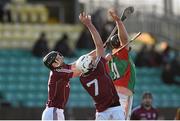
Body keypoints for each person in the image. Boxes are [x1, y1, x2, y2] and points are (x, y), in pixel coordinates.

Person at [75, 12, 125, 120]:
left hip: (101, 112)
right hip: (115, 108)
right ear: (88, 65)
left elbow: (97, 54)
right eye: (91, 61)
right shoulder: (99, 67)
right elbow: (98, 45)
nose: (92, 60)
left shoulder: (82, 78)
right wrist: (89, 24)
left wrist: (101, 54)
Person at [105, 9, 136, 119]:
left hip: (112, 94)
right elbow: (124, 39)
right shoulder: (121, 54)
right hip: (123, 95)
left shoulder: (109, 58)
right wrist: (119, 22)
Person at [41, 51, 81, 120]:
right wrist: (92, 65)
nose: (60, 57)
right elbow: (78, 72)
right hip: (54, 111)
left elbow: (75, 64)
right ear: (54, 64)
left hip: (55, 111)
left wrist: (95, 53)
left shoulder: (60, 70)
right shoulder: (58, 72)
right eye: (57, 57)